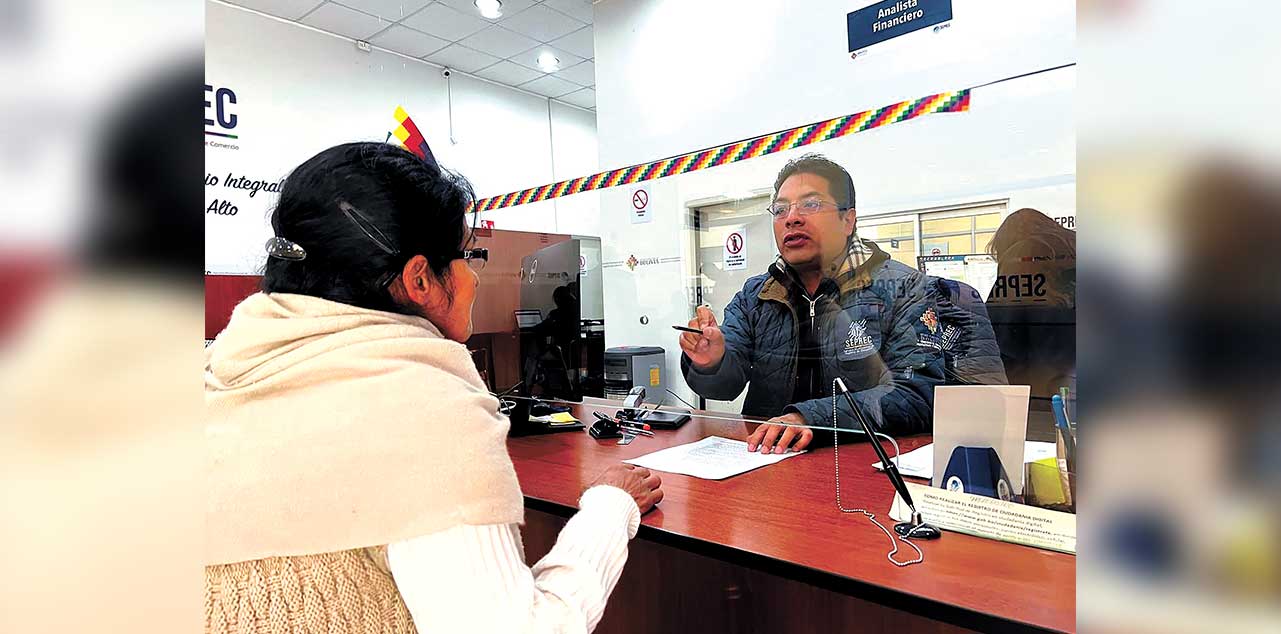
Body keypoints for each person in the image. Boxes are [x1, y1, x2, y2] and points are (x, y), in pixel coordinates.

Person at [205, 142, 663, 633]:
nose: (473, 278)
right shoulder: (419, 407)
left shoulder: (208, 379)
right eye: (466, 256)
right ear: (419, 279)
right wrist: (611, 507)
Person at [678, 154, 944, 452]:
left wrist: (810, 418)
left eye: (811, 204)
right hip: (767, 463)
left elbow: (919, 395)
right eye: (780, 209)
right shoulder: (756, 295)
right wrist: (710, 362)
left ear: (848, 220)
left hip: (864, 468)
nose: (791, 217)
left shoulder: (904, 288)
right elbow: (724, 387)